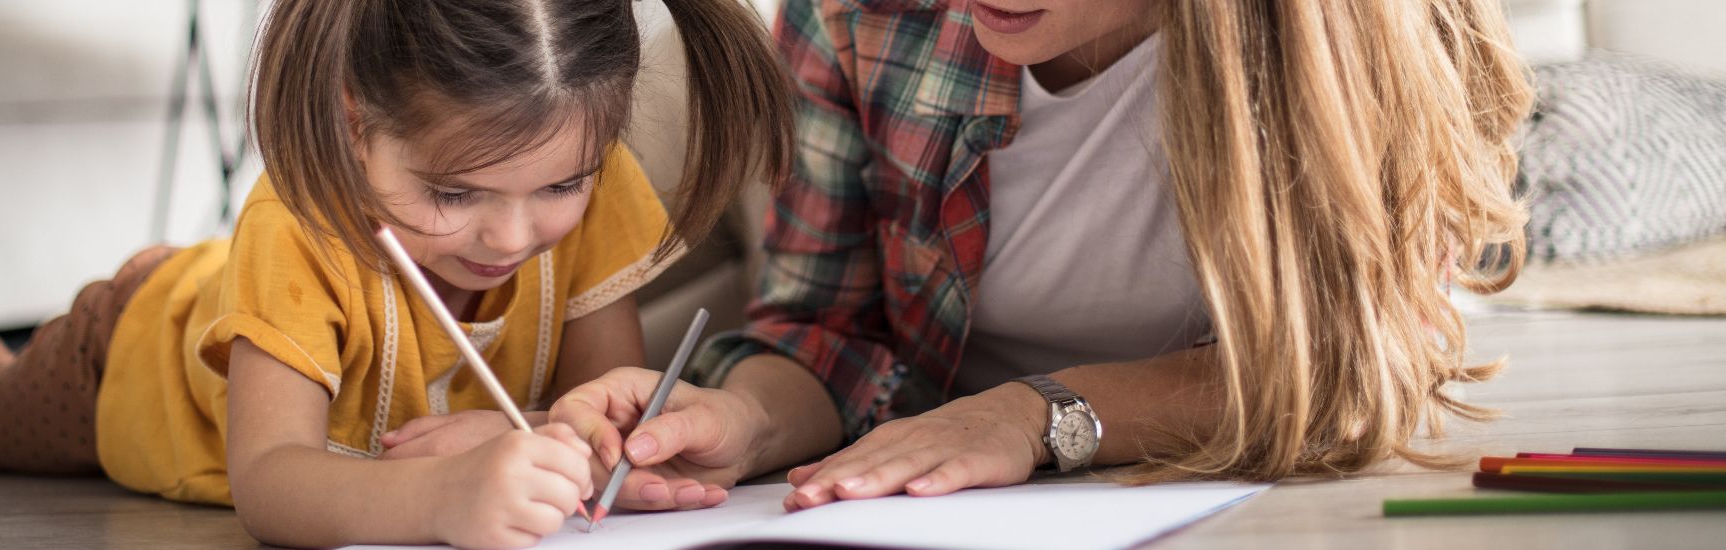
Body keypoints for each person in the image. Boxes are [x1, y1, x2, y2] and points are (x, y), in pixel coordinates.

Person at [0, 0, 790, 546]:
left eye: (561, 185)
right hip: (134, 358)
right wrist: (446, 498)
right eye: (454, 194)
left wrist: (580, 442)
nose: (512, 232)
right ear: (357, 126)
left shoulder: (597, 186)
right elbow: (271, 480)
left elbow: (580, 403)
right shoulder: (298, 220)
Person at [550, 0, 1533, 514]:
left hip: (1223, 481)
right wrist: (741, 416)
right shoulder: (858, 11)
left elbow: (1357, 376)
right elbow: (830, 329)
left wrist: (1040, 415)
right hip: (944, 484)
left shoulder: (1353, 34)